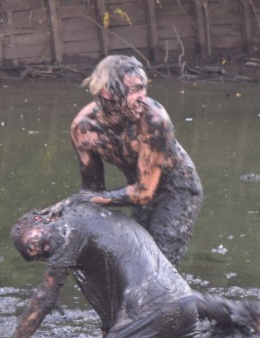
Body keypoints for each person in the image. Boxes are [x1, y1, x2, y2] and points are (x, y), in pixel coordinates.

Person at [4, 197, 260, 338]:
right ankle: (242, 313)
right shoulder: (88, 212)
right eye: (36, 256)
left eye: (38, 243)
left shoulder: (67, 230)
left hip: (150, 309)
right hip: (182, 300)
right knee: (174, 300)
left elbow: (43, 300)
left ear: (43, 218)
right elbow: (112, 283)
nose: (42, 252)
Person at [69, 54, 203, 266]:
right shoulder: (84, 128)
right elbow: (92, 191)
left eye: (144, 88)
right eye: (135, 90)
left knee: (161, 267)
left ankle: (208, 301)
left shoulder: (154, 119)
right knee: (135, 261)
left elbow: (143, 192)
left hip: (177, 189)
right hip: (136, 190)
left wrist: (93, 199)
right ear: (107, 91)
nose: (143, 96)